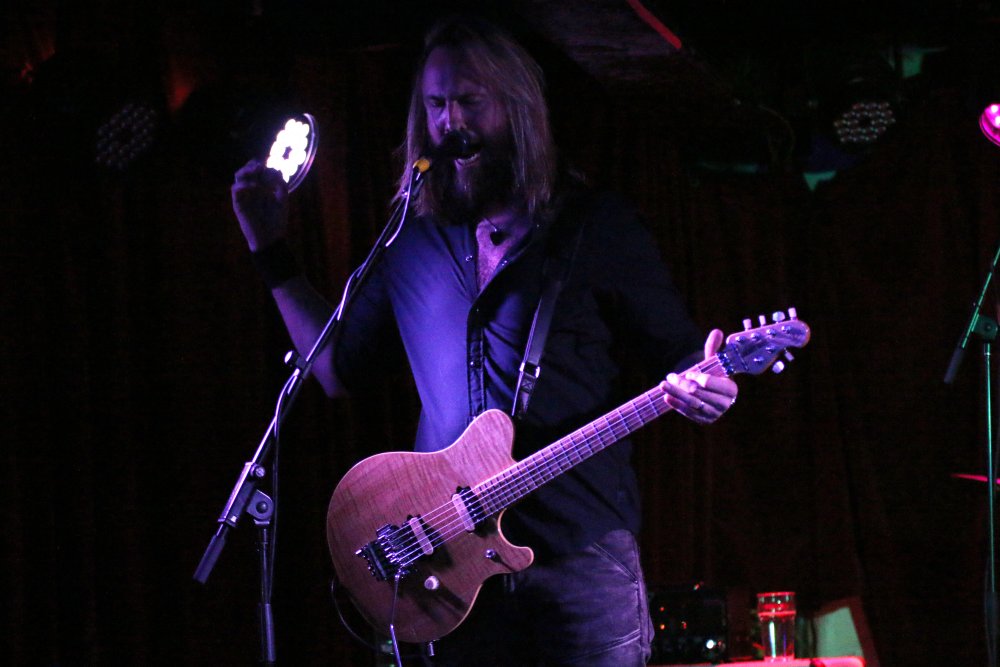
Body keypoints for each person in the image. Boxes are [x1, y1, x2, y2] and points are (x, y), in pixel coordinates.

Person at [232, 15, 738, 667]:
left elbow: (680, 352)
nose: (451, 123)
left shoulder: (597, 228)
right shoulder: (410, 240)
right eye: (437, 105)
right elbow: (333, 367)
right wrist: (269, 248)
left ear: (518, 110)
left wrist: (708, 382)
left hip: (578, 557)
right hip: (447, 564)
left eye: (471, 102)